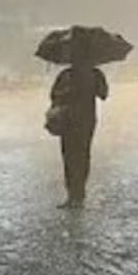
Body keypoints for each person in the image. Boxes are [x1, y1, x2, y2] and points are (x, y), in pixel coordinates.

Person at [49, 32, 108, 209]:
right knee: (82, 155)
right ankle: (78, 194)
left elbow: (54, 97)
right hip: (86, 121)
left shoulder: (66, 75)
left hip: (68, 121)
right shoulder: (95, 74)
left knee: (69, 157)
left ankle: (73, 194)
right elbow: (104, 94)